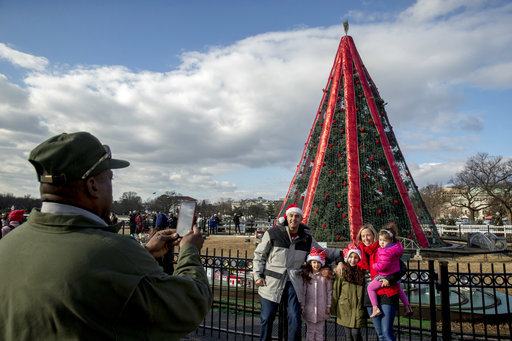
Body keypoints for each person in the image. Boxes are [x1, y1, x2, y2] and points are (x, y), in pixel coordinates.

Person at [0, 132, 212, 340]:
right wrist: (189, 250)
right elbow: (189, 307)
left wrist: (146, 252)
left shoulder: (8, 243)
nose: (112, 187)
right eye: (110, 178)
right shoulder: (113, 251)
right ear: (92, 186)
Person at [253, 204, 341, 341]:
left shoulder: (307, 239)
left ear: (301, 218)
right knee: (267, 318)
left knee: (294, 317)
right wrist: (258, 275)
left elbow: (323, 252)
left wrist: (342, 256)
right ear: (286, 217)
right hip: (271, 282)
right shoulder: (273, 234)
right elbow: (259, 255)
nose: (293, 219)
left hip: (293, 283)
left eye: (297, 216)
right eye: (291, 216)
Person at [356, 223, 406, 341]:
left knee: (387, 332)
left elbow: (402, 268)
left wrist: (389, 279)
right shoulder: (359, 252)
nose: (366, 238)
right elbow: (347, 260)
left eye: (368, 235)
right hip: (370, 296)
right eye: (363, 236)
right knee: (380, 334)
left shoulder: (383, 249)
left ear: (374, 235)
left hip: (386, 293)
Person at [367, 224, 413, 318]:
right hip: (394, 274)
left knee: (370, 288)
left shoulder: (385, 251)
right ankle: (407, 306)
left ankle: (375, 308)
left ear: (390, 240)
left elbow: (383, 266)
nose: (381, 243)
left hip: (384, 275)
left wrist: (374, 266)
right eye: (380, 240)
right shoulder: (396, 248)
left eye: (384, 240)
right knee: (400, 290)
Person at [331, 243, 366, 341]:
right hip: (344, 307)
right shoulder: (342, 271)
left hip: (358, 307)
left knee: (355, 333)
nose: (353, 260)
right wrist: (333, 308)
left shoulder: (362, 272)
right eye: (350, 257)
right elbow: (336, 290)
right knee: (348, 336)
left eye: (356, 257)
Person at [301, 247, 333, 341]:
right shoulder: (307, 276)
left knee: (319, 332)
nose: (316, 265)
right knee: (310, 332)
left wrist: (328, 305)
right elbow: (303, 292)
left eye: (319, 262)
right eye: (314, 262)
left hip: (321, 308)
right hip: (309, 308)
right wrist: (302, 306)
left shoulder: (325, 276)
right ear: (310, 262)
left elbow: (329, 291)